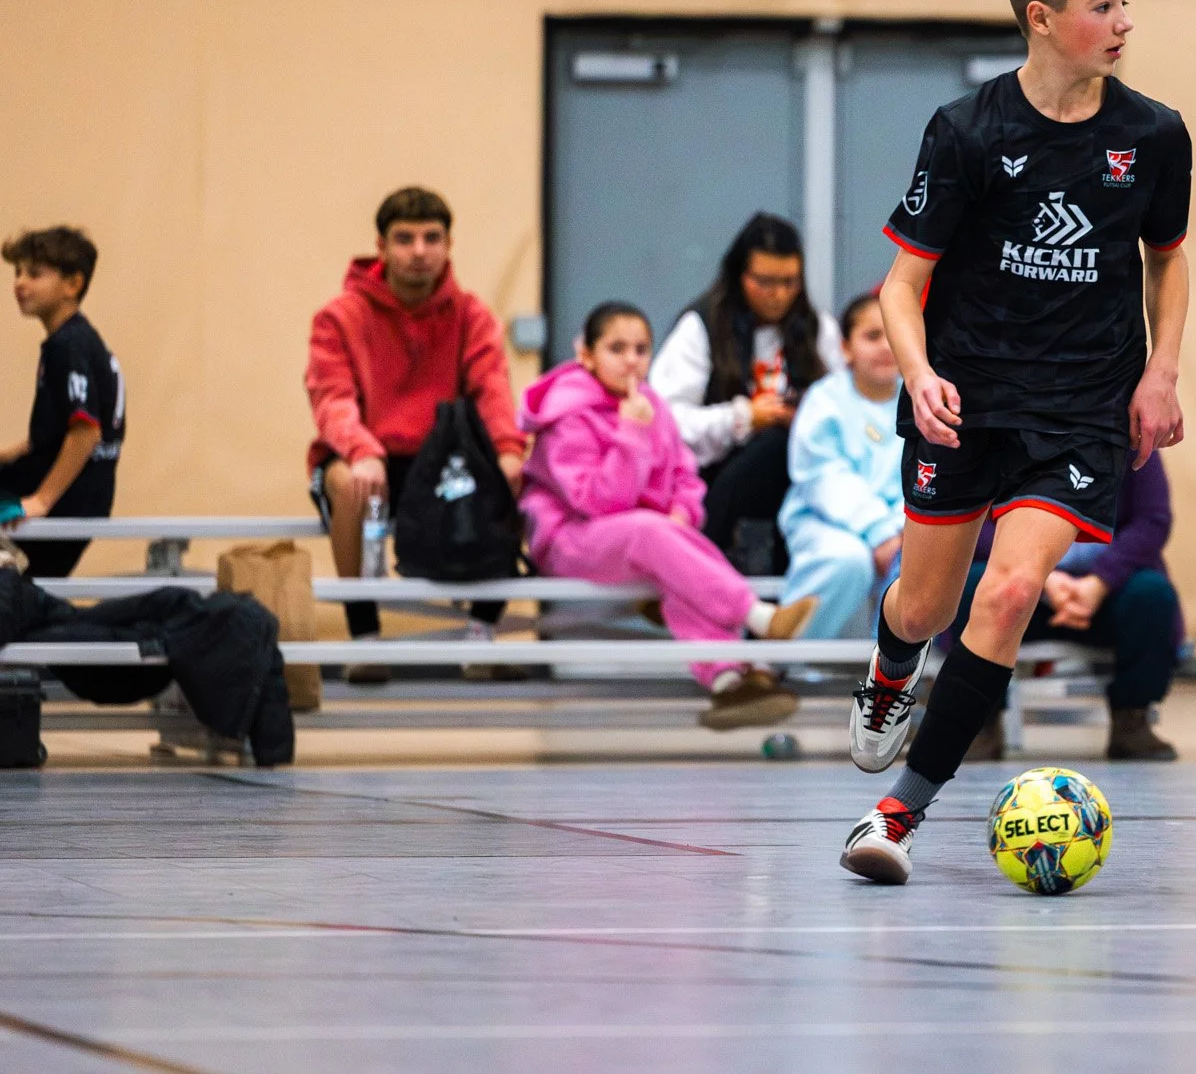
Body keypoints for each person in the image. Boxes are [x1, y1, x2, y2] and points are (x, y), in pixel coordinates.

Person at [838, 0, 1192, 885]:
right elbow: (900, 287)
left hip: (1080, 406)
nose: (1124, 22)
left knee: (1009, 591)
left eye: (1126, 2)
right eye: (1102, 5)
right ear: (1042, 18)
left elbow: (1167, 259)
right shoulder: (967, 132)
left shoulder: (1152, 134)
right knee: (924, 605)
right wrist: (917, 373)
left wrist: (1160, 372)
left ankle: (893, 817)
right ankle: (886, 674)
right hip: (966, 398)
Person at [520, 302, 815, 727]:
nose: (630, 360)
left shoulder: (652, 405)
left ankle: (727, 682)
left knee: (668, 550)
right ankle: (757, 615)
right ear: (585, 354)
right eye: (616, 348)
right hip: (572, 539)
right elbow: (596, 502)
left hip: (642, 537)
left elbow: (686, 477)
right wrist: (631, 436)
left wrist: (681, 513)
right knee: (651, 534)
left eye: (641, 349)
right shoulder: (568, 414)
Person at [304, 188, 526, 681]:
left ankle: (480, 636)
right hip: (368, 460)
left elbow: (492, 388)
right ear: (380, 248)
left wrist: (509, 453)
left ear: (449, 245)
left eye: (432, 238)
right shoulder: (339, 317)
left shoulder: (472, 315)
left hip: (442, 460)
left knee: (520, 479)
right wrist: (363, 451)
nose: (420, 250)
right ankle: (364, 638)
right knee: (350, 483)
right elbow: (331, 398)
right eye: (405, 239)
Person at [952, 452, 1182, 761]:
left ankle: (1132, 720)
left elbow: (1152, 520)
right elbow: (973, 519)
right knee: (974, 588)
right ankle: (979, 723)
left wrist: (1100, 581)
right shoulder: (1002, 424)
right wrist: (1040, 578)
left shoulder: (1131, 433)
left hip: (1104, 588)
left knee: (1152, 596)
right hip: (1020, 580)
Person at [648, 213, 843, 573]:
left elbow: (845, 409)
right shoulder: (701, 327)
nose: (779, 294)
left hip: (800, 483)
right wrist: (744, 417)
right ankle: (696, 565)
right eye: (765, 281)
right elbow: (664, 421)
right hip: (713, 477)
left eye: (789, 282)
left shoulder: (818, 329)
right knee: (773, 446)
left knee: (787, 447)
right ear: (740, 276)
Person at [778, 292, 905, 639]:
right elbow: (821, 476)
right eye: (872, 336)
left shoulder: (919, 398)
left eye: (894, 334)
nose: (885, 346)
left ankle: (898, 673)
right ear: (846, 348)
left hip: (902, 528)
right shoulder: (824, 400)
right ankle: (777, 663)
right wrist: (880, 530)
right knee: (847, 560)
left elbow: (928, 476)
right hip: (824, 521)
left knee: (922, 560)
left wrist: (897, 530)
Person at [0, 227, 124, 578]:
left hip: (71, 497)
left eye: (35, 274)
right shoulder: (74, 340)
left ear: (72, 285)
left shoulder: (68, 345)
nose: (20, 283)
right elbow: (57, 431)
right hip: (84, 492)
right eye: (18, 273)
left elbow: (86, 432)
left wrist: (41, 501)